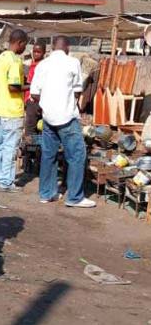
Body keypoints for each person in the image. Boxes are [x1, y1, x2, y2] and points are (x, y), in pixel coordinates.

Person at [30, 36, 95, 208]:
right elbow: (77, 90)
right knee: (77, 155)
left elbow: (34, 93)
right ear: (67, 48)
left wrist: (46, 103)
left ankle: (46, 194)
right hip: (66, 117)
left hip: (48, 117)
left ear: (52, 47)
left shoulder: (42, 65)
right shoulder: (72, 62)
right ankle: (74, 197)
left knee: (48, 155)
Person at [0, 29, 28, 193]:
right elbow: (13, 87)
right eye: (25, 45)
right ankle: (5, 182)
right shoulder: (15, 61)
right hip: (12, 110)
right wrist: (30, 86)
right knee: (10, 147)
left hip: (0, 109)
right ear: (20, 43)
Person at [25, 42, 45, 136]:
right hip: (29, 98)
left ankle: (32, 146)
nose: (36, 54)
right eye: (34, 51)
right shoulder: (31, 64)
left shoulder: (43, 66)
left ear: (44, 52)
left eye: (39, 52)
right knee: (30, 123)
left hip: (36, 98)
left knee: (32, 125)